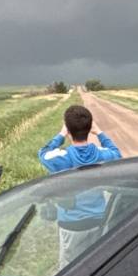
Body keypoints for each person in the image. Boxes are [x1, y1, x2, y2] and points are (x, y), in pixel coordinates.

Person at [38, 104, 122, 264]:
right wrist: (100, 132)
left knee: (69, 270)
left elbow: (43, 153)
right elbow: (116, 153)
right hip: (99, 220)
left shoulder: (62, 158)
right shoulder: (101, 154)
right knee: (97, 265)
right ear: (90, 128)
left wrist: (61, 134)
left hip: (71, 225)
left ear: (68, 130)